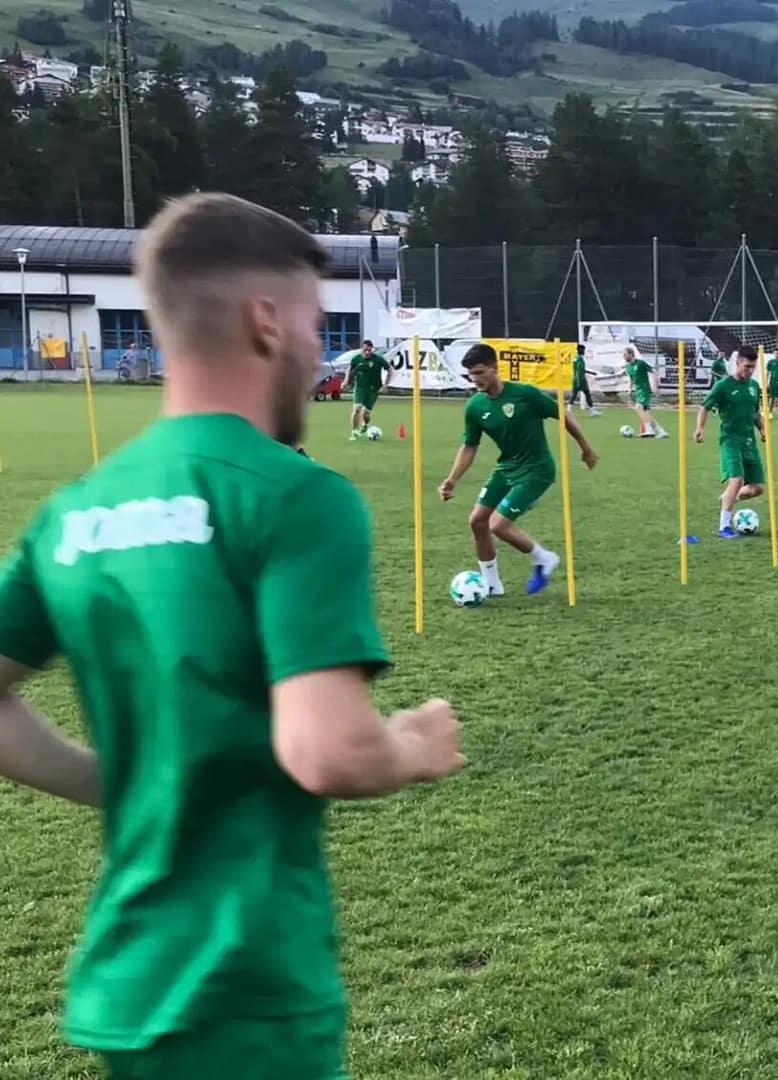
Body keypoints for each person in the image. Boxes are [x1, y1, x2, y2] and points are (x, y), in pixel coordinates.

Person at [0, 193, 465, 1080]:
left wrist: (120, 782)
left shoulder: (77, 512)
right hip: (243, 983)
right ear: (265, 321)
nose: (314, 352)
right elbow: (326, 751)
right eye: (313, 325)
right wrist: (410, 744)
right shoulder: (292, 494)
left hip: (127, 981)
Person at [439, 343, 599, 596]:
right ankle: (491, 584)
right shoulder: (475, 407)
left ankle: (543, 558)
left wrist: (586, 448)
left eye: (480, 372)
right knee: (477, 522)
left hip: (537, 470)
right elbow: (469, 446)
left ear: (495, 368)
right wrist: (452, 480)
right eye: (471, 375)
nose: (476, 379)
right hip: (506, 467)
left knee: (498, 525)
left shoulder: (525, 394)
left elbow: (563, 415)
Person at [695, 344, 766, 539]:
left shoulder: (753, 386)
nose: (749, 371)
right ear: (737, 363)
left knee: (758, 488)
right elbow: (705, 407)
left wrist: (762, 429)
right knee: (737, 480)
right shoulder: (723, 386)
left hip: (749, 441)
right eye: (746, 367)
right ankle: (724, 527)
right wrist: (700, 428)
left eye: (752, 367)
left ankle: (727, 497)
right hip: (730, 439)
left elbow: (755, 413)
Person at [342, 339, 387, 440]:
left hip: (374, 389)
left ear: (372, 350)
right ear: (361, 349)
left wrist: (385, 384)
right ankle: (354, 432)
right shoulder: (356, 359)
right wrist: (345, 381)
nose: (367, 352)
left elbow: (390, 370)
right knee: (357, 408)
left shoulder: (378, 359)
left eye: (369, 350)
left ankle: (365, 425)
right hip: (360, 388)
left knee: (366, 413)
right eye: (365, 350)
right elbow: (349, 369)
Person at [625, 347, 668, 439]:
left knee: (638, 408)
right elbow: (631, 379)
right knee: (645, 412)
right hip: (637, 391)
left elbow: (653, 371)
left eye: (625, 354)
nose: (624, 356)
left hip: (644, 389)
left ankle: (649, 430)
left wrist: (656, 383)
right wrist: (629, 389)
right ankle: (661, 431)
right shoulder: (628, 367)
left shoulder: (640, 363)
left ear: (631, 354)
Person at [568, 343, 601, 417]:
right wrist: (579, 381)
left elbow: (580, 369)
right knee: (585, 395)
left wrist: (592, 373)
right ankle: (592, 411)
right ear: (580, 350)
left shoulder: (575, 358)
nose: (584, 351)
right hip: (580, 380)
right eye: (583, 350)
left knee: (577, 395)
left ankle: (569, 410)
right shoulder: (580, 359)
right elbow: (579, 371)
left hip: (576, 379)